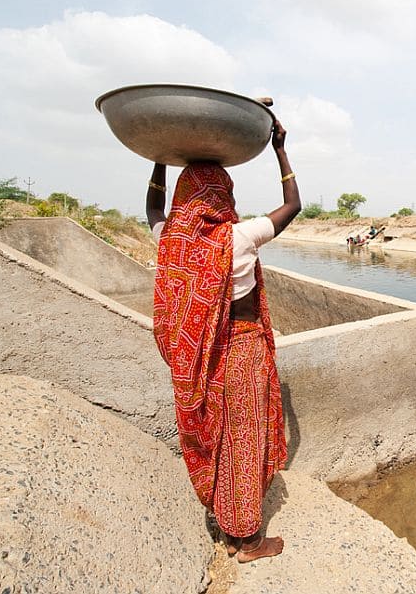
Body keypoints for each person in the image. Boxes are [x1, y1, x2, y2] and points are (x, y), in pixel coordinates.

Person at [146, 119, 301, 563]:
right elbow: (293, 204)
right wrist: (280, 149)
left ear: (185, 198)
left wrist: (158, 158)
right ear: (224, 195)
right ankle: (249, 539)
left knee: (216, 435)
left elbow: (153, 212)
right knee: (244, 438)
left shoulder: (171, 242)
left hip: (202, 359)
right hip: (242, 351)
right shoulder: (238, 236)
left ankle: (226, 515)